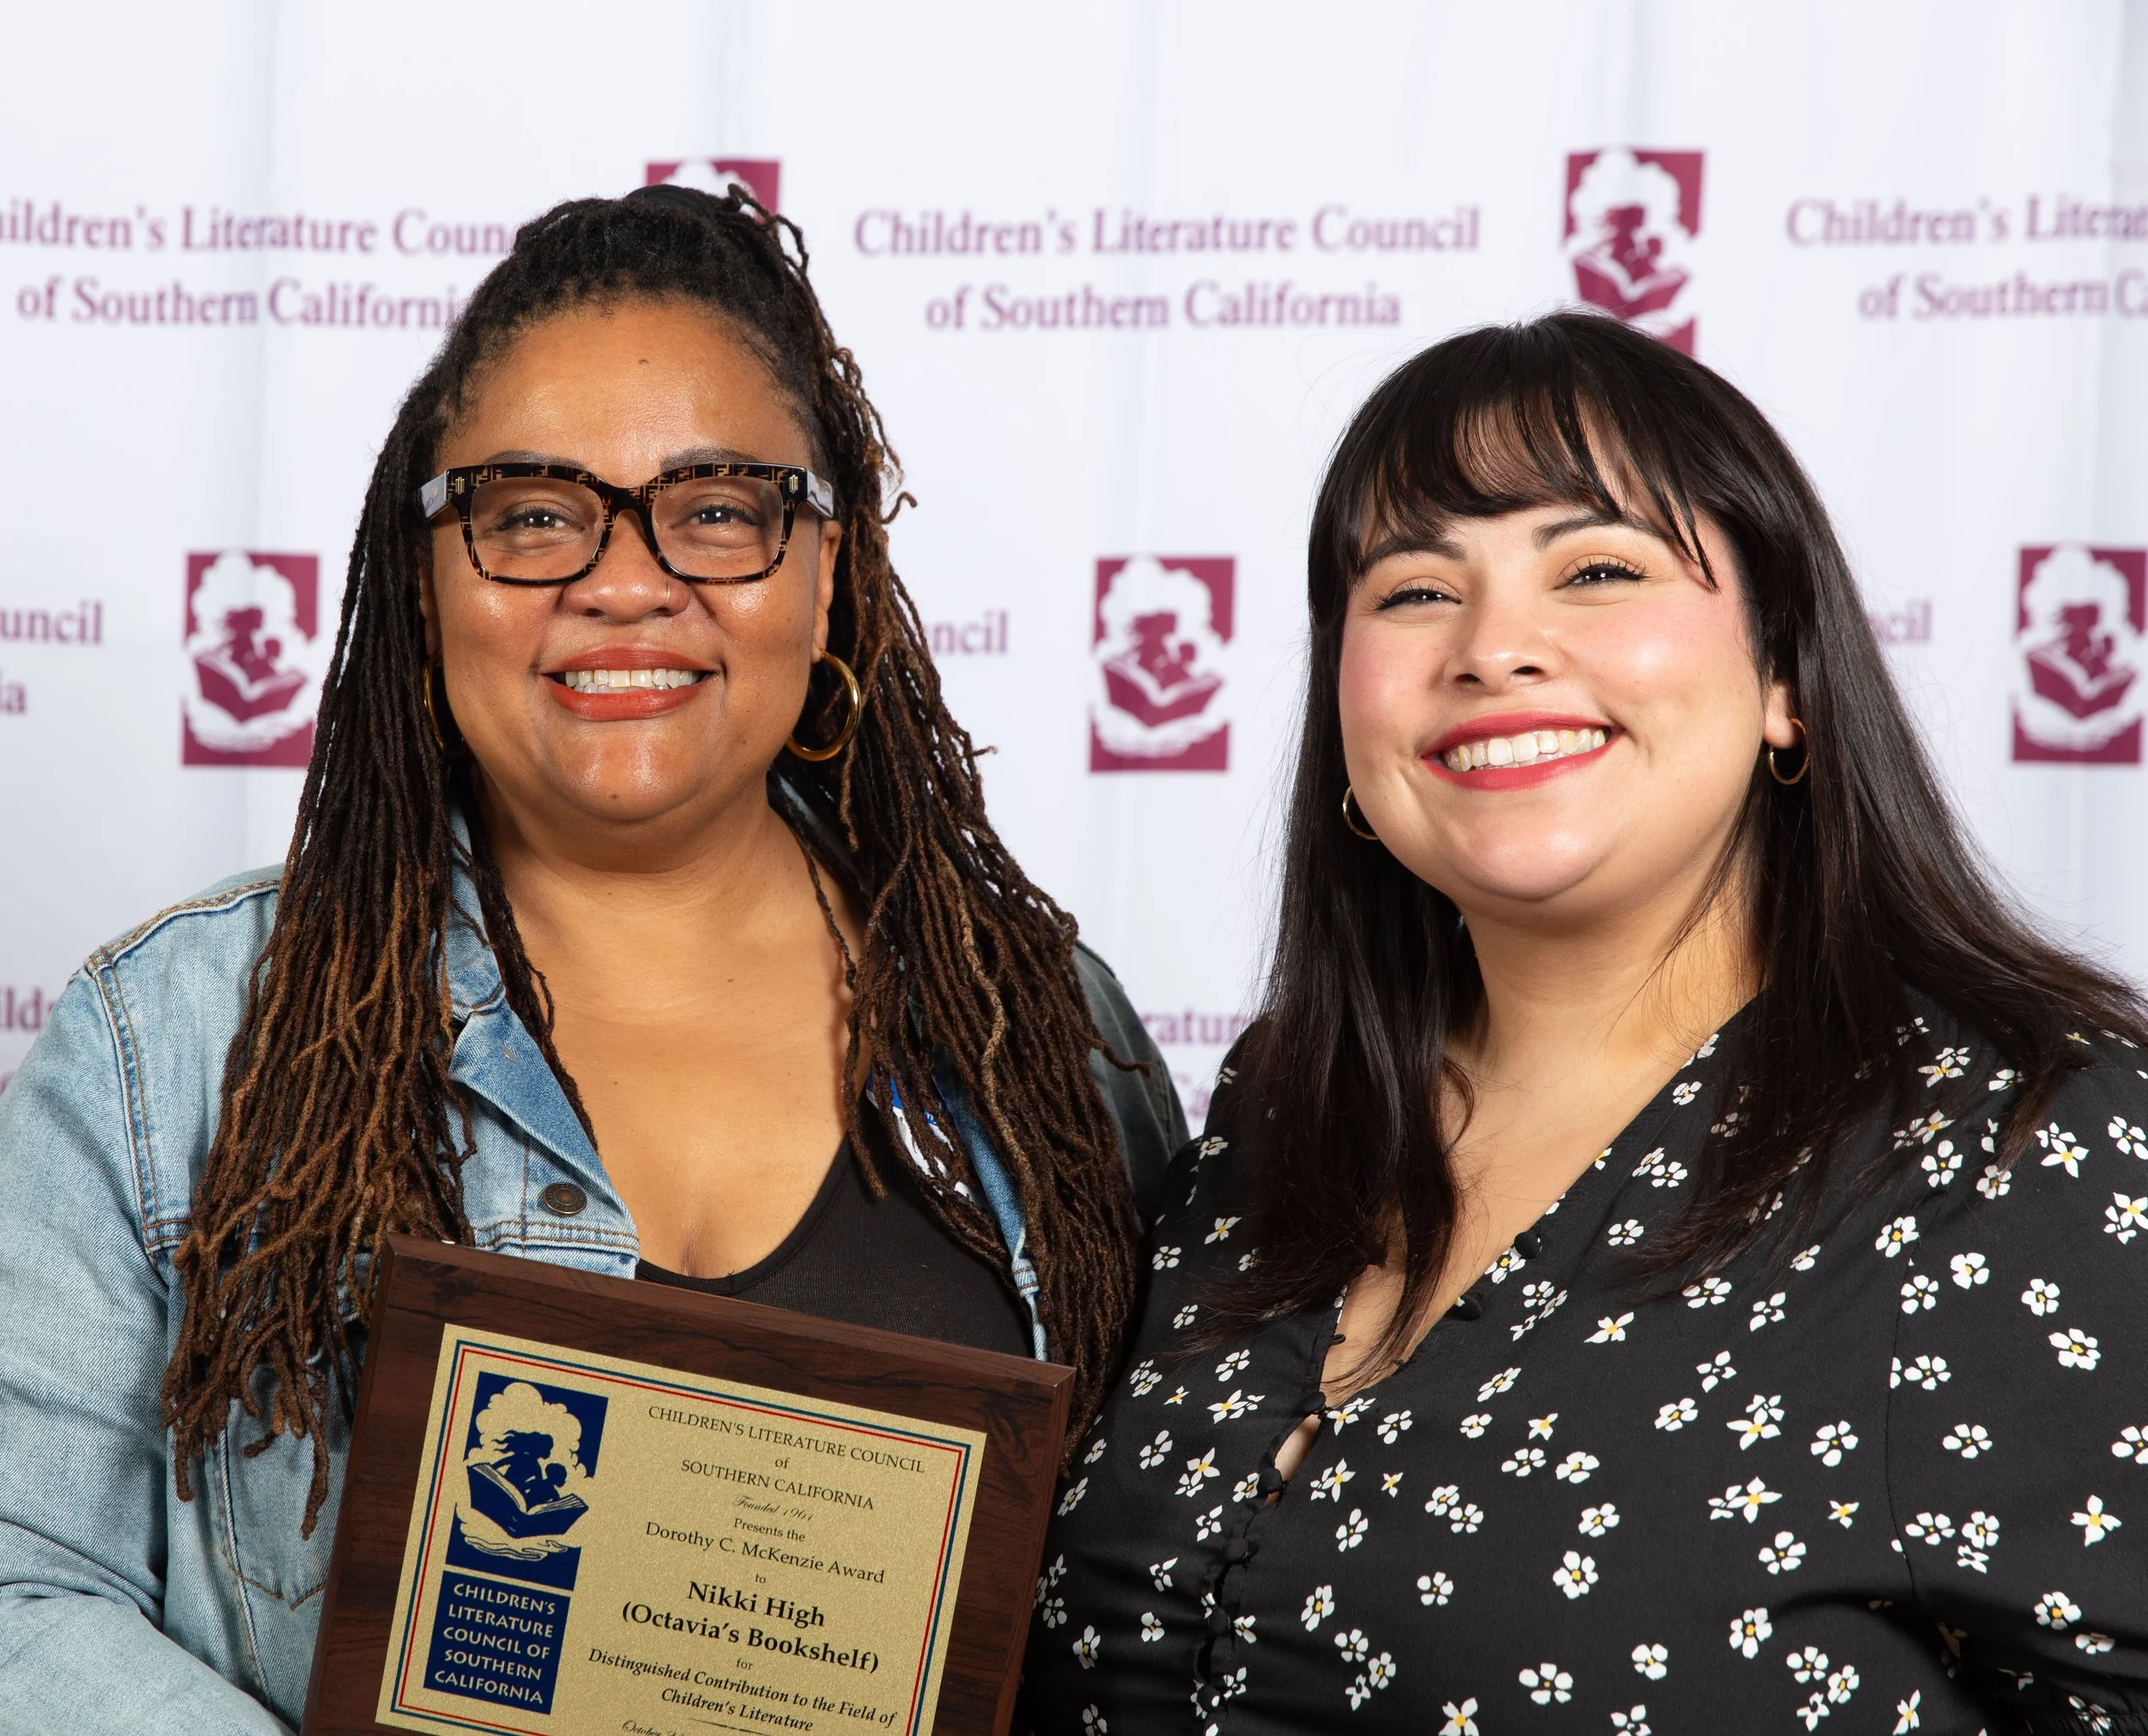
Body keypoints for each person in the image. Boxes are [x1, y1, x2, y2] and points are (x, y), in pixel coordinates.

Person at [0, 185, 1182, 1733]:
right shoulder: (173, 1040)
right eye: (535, 514)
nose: (625, 582)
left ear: (829, 570)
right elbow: (23, 1589)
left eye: (716, 508)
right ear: (426, 578)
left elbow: (1143, 1614)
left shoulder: (1042, 1031)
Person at [1022, 312, 2148, 1733]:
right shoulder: (1283, 1108)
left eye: (1598, 569)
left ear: (1786, 680)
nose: (1496, 648)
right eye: (1417, 591)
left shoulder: (2031, 1152)